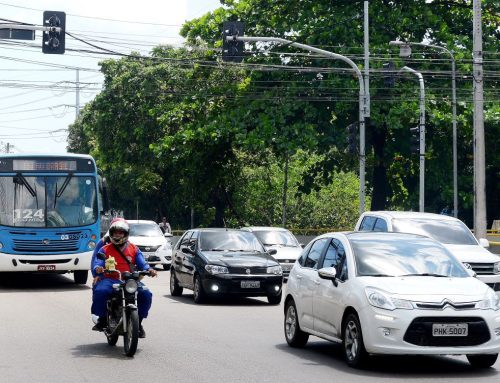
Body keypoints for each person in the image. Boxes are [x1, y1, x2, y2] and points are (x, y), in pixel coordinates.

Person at [91, 218, 157, 338]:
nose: (118, 235)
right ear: (111, 233)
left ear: (126, 234)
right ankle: (102, 319)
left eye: (120, 232)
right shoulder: (104, 249)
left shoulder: (134, 249)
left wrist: (149, 270)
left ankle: (139, 322)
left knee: (146, 294)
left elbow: (142, 263)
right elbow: (98, 262)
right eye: (115, 232)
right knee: (101, 291)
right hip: (110, 279)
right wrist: (98, 269)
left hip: (129, 280)